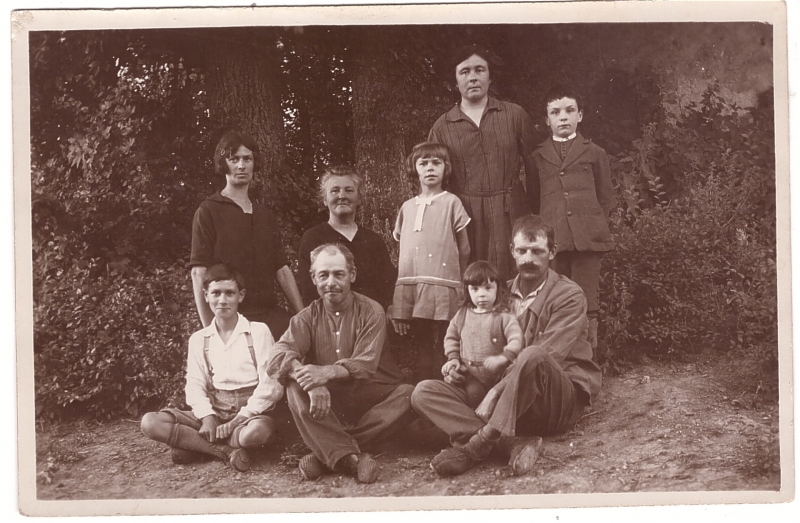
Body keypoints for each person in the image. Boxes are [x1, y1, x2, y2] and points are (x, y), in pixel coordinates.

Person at [411, 215, 602, 477]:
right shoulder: (497, 294)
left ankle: (477, 446)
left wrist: (496, 390)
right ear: (512, 251)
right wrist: (459, 367)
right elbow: (474, 344)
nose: (528, 259)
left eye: (537, 251)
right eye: (522, 251)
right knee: (424, 392)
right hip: (506, 401)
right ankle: (512, 443)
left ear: (552, 252)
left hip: (553, 400)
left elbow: (548, 356)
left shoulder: (569, 295)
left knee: (534, 354)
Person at [268, 244, 414, 484]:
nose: (331, 282)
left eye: (339, 274)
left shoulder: (372, 311)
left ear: (352, 275)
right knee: (294, 386)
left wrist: (326, 372)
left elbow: (365, 366)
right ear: (313, 278)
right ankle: (352, 459)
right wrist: (310, 381)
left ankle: (326, 452)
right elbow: (276, 356)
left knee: (408, 394)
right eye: (323, 275)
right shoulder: (307, 316)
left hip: (374, 395)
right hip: (332, 400)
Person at [140, 264, 283, 472]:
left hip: (249, 414)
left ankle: (195, 446)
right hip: (215, 408)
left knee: (257, 433)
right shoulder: (200, 339)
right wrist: (208, 418)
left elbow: (271, 386)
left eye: (229, 293)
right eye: (216, 293)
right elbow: (195, 385)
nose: (222, 300)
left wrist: (236, 422)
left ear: (240, 296)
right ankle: (225, 452)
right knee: (150, 423)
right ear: (206, 296)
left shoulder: (257, 331)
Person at [428, 44, 537, 281]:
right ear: (455, 82)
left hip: (512, 211)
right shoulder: (442, 127)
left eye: (479, 70)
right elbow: (434, 184)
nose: (473, 77)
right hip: (467, 216)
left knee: (518, 275)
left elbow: (535, 167)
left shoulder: (514, 115)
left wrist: (534, 214)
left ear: (490, 77)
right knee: (475, 280)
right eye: (464, 72)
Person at [189, 131, 304, 339]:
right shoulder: (208, 211)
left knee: (300, 352)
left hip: (270, 316)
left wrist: (303, 316)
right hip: (231, 317)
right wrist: (211, 330)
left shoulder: (265, 215)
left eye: (247, 159)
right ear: (224, 164)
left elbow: (282, 270)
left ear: (254, 163)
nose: (241, 166)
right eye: (234, 159)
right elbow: (198, 273)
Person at [526, 87, 616, 349]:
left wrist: (593, 227)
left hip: (588, 238)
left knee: (588, 301)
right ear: (547, 120)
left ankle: (588, 361)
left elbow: (605, 197)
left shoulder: (595, 152)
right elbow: (535, 198)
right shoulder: (537, 157)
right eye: (555, 112)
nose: (563, 117)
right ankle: (563, 362)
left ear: (580, 115)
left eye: (569, 111)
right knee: (557, 297)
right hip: (555, 239)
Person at [388, 141, 471, 382]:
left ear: (446, 168)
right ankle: (423, 384)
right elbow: (404, 245)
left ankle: (448, 381)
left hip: (444, 280)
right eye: (423, 164)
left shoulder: (451, 202)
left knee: (447, 336)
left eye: (436, 163)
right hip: (414, 281)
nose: (430, 168)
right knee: (420, 337)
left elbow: (464, 246)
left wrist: (461, 278)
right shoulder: (407, 207)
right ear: (415, 169)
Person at [297, 165, 396, 309]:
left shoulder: (374, 240)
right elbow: (309, 291)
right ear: (325, 199)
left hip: (372, 321)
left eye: (349, 190)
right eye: (335, 190)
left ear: (359, 198)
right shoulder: (313, 238)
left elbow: (389, 286)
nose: (341, 196)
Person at [441, 261, 523, 409]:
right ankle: (473, 423)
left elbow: (516, 338)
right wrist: (453, 358)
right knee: (474, 395)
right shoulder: (462, 314)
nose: (482, 294)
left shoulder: (504, 315)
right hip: (472, 375)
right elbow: (451, 337)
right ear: (467, 291)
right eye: (475, 289)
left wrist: (503, 357)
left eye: (488, 288)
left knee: (501, 402)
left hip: (499, 375)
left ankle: (493, 422)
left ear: (497, 289)